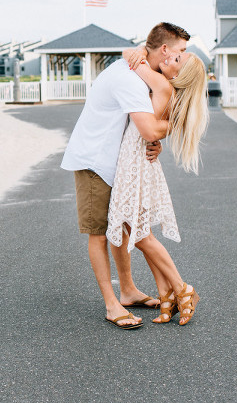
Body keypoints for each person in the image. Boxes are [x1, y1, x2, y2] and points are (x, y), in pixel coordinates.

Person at [61, 22, 189, 329]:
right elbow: (147, 127)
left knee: (121, 226)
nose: (184, 57)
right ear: (164, 50)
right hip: (95, 160)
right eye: (181, 51)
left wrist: (154, 143)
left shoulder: (143, 72)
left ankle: (128, 291)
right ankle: (111, 304)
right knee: (99, 232)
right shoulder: (129, 80)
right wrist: (177, 124)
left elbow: (144, 129)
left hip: (117, 160)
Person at [107, 46, 209, 325]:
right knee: (137, 230)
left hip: (135, 163)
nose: (168, 58)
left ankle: (180, 287)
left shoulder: (162, 84)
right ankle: (166, 292)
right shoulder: (170, 91)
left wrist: (136, 52)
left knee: (140, 235)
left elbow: (132, 62)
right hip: (137, 159)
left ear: (181, 74)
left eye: (176, 59)